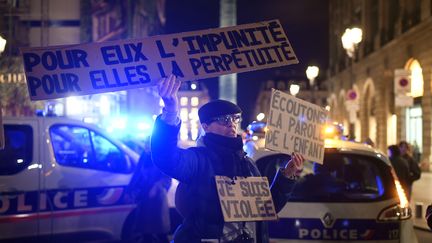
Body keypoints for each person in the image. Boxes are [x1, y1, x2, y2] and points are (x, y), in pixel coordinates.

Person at [151, 74, 304, 243]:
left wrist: (287, 177)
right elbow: (165, 158)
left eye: (235, 118)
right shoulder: (199, 160)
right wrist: (171, 112)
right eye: (223, 120)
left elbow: (266, 207)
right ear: (206, 127)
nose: (231, 123)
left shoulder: (248, 163)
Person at [127, 139, 172, 243]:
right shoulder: (144, 157)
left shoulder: (161, 157)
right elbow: (137, 175)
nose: (147, 147)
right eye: (146, 144)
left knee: (161, 232)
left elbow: (167, 179)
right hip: (144, 198)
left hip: (157, 200)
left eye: (149, 144)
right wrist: (129, 191)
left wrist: (156, 187)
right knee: (145, 232)